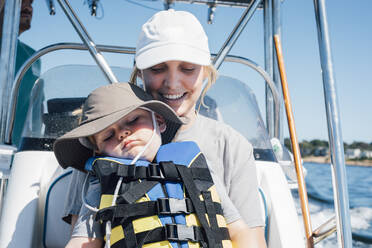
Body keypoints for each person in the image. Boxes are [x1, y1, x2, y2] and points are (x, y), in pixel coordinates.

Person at [63, 9, 267, 247]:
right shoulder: (101, 147)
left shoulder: (232, 146)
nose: (172, 83)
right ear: (140, 73)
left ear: (205, 71)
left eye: (188, 69)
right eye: (157, 69)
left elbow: (248, 237)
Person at [54, 82, 254, 247]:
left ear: (159, 120)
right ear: (99, 151)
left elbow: (238, 230)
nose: (122, 133)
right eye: (108, 136)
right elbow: (84, 242)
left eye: (133, 120)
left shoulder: (196, 164)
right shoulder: (102, 184)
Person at [0, 0, 41, 147]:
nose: (28, 7)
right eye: (19, 1)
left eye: (30, 3)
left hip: (15, 155)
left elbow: (36, 112)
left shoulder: (33, 57)